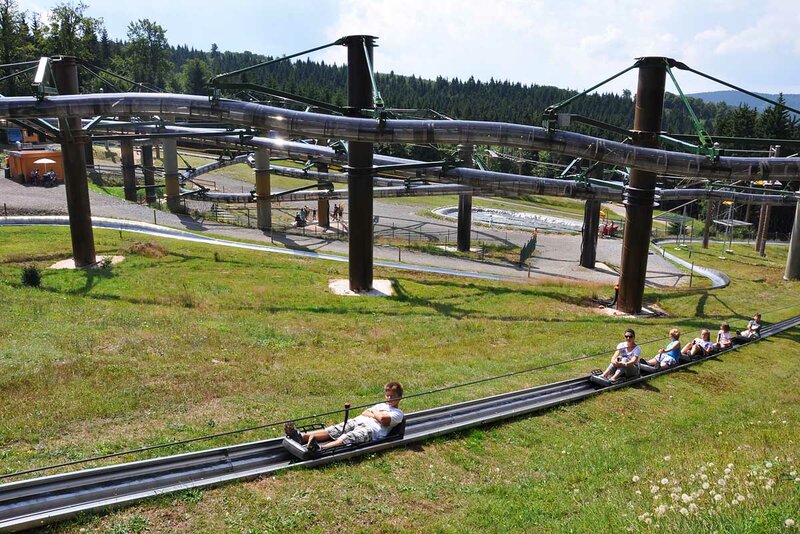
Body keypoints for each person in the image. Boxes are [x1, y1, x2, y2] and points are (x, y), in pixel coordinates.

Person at [285, 382, 404, 452]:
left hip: (371, 431)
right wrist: (376, 414)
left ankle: (320, 448)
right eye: (387, 396)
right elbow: (364, 412)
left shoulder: (398, 413)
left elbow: (384, 420)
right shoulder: (381, 405)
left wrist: (374, 414)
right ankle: (301, 437)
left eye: (392, 396)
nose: (388, 399)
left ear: (399, 397)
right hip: (358, 420)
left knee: (349, 436)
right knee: (335, 429)